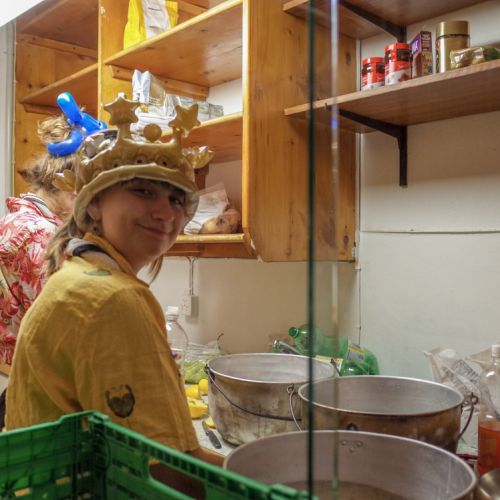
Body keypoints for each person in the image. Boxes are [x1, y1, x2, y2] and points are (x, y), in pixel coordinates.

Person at [6, 95, 221, 491]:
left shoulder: (78, 274)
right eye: (143, 191)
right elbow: (163, 469)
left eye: (176, 199)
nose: (166, 213)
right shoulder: (113, 298)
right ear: (93, 206)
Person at [0, 114, 78, 365]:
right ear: (69, 186)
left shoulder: (12, 221)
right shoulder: (42, 235)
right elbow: (58, 325)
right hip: (30, 367)